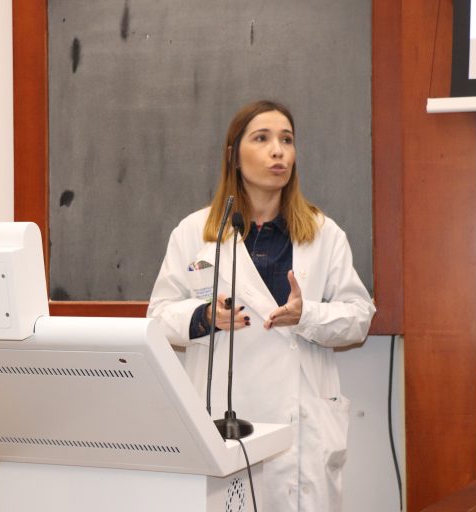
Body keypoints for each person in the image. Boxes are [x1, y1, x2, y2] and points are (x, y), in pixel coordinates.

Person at [148, 100, 375, 511]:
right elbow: (158, 316)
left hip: (301, 427)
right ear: (233, 156)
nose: (278, 151)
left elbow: (359, 318)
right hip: (223, 420)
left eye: (287, 140)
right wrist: (203, 316)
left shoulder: (323, 234)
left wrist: (308, 315)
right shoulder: (194, 232)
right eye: (262, 138)